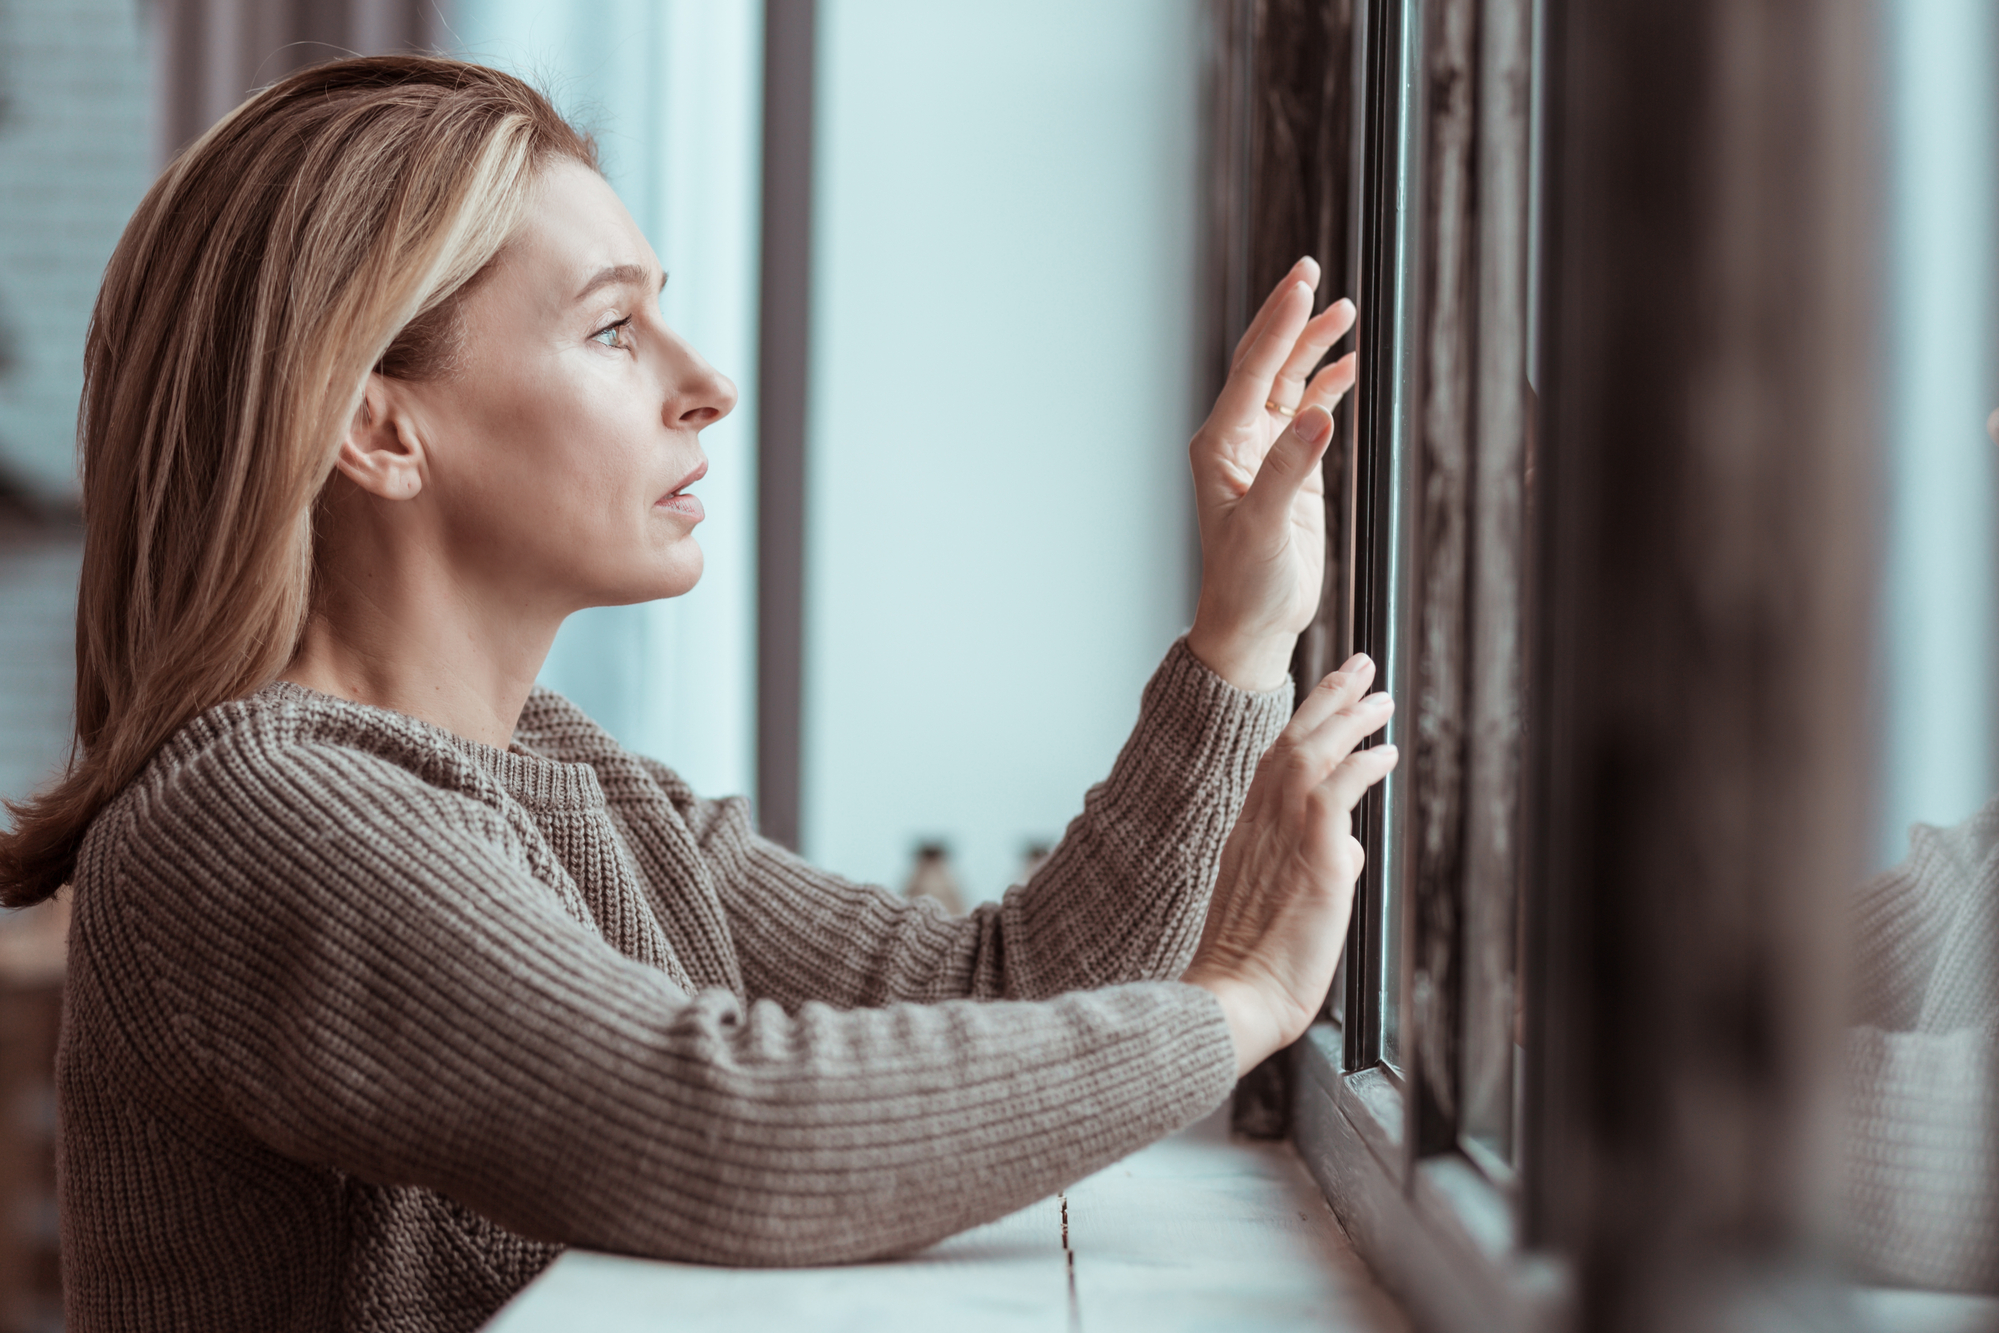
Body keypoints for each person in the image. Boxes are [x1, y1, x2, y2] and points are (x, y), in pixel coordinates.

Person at [0, 56, 1396, 1332]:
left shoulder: (565, 776)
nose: (708, 385)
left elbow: (1005, 988)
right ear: (377, 424)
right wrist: (1240, 1001)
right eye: (614, 330)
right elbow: (719, 1126)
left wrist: (1237, 637)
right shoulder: (258, 816)